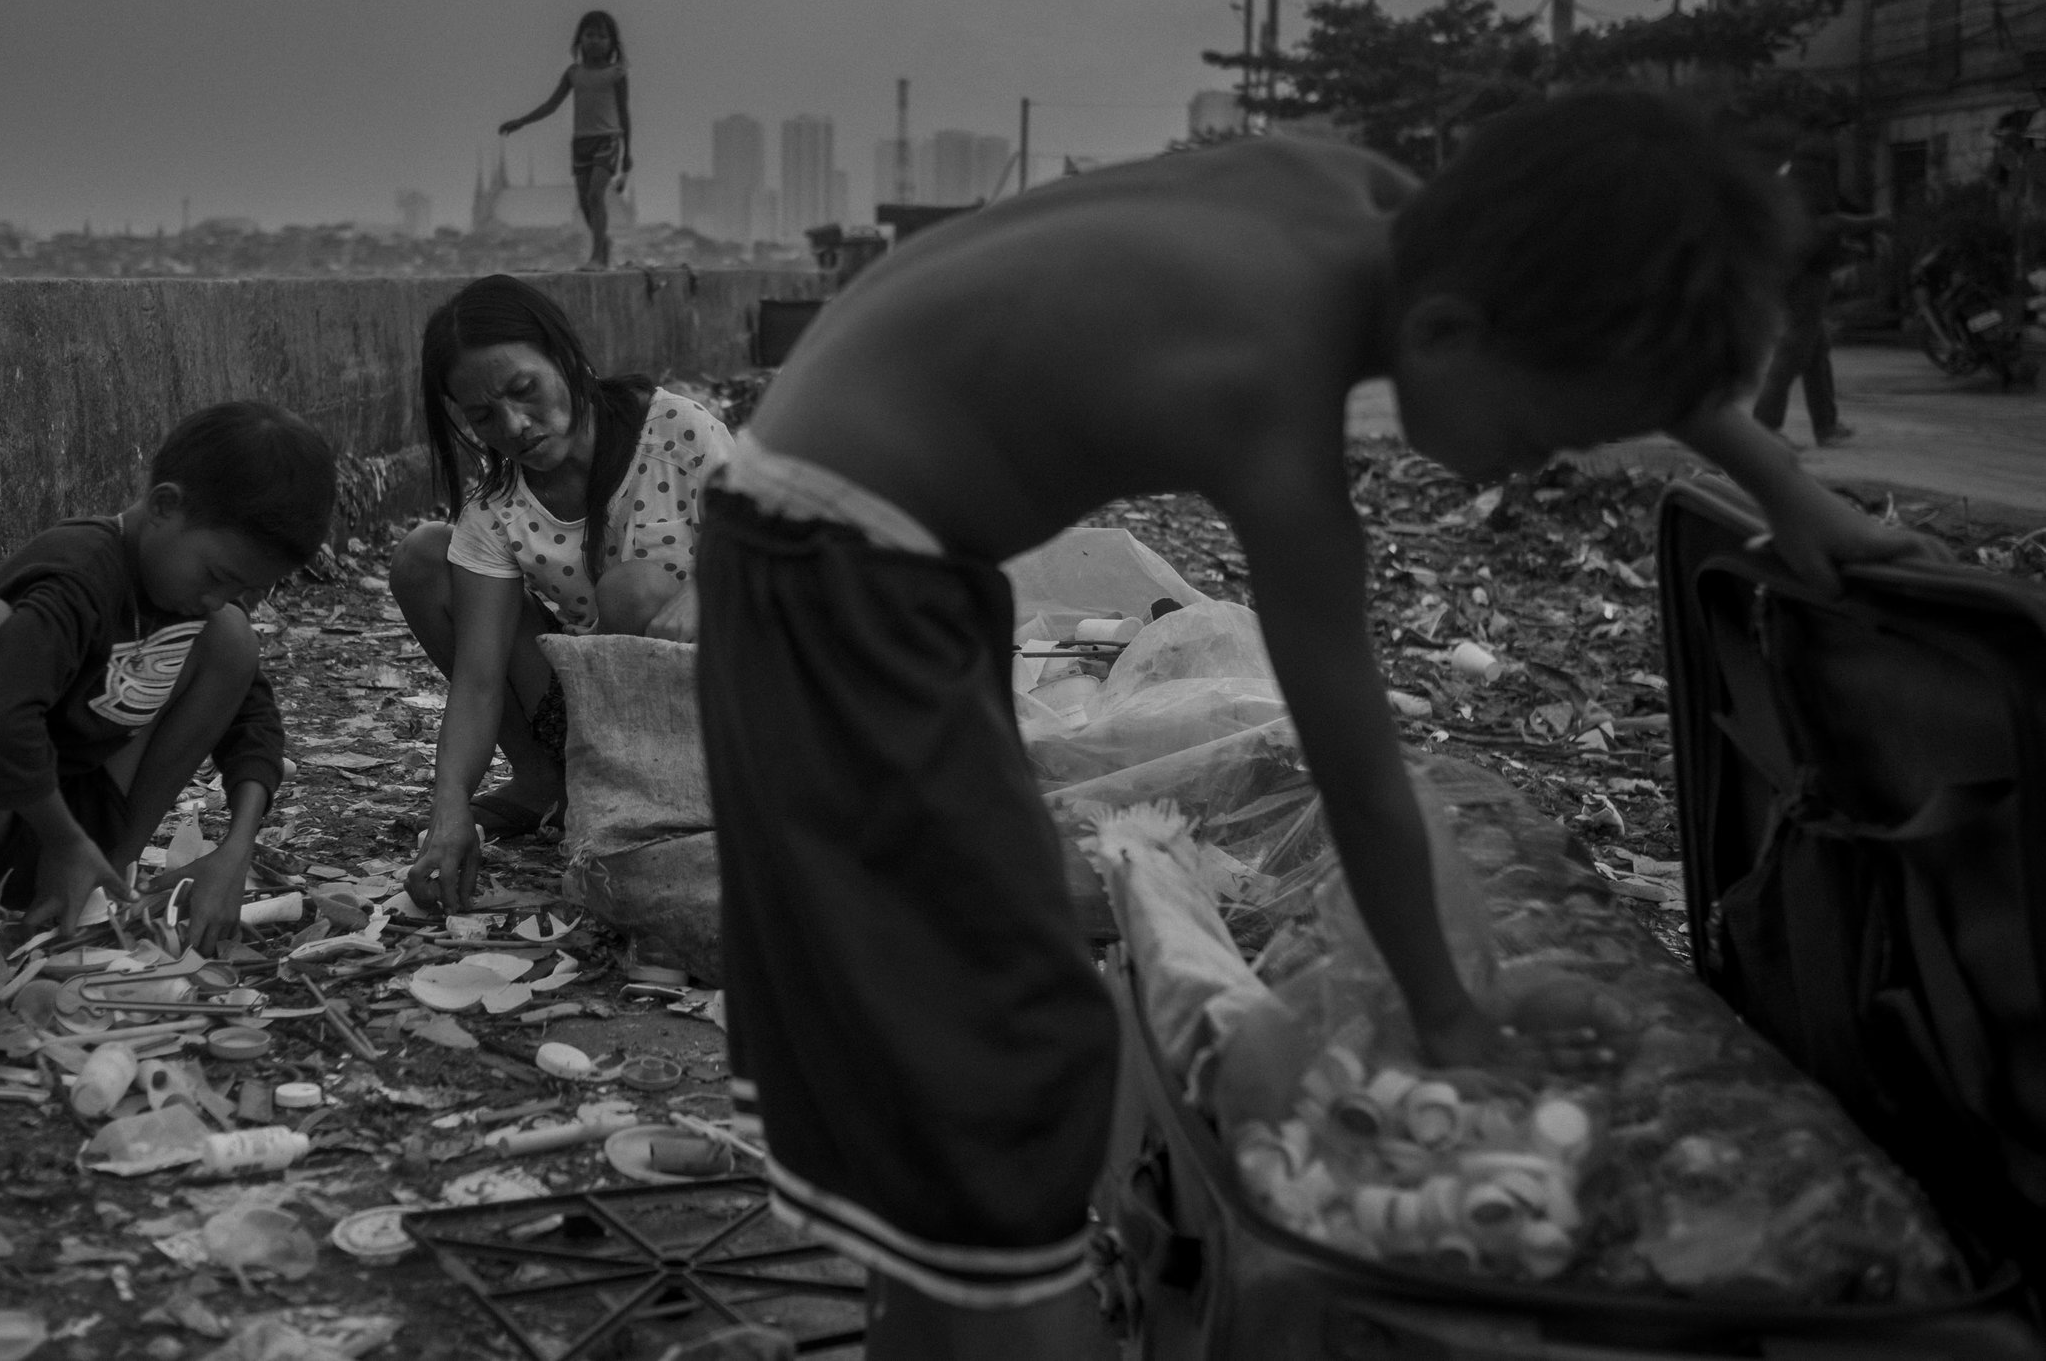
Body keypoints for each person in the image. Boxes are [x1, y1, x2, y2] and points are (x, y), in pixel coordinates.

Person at [693, 91, 1943, 1357]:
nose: (1526, 469)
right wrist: (1451, 1013)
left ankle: (948, 1294)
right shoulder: (1264, 399)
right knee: (1000, 1051)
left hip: (876, 541)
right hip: (831, 573)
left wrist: (1785, 487)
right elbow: (1359, 773)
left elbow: (1608, 330)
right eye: (1536, 434)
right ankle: (1005, 1309)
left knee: (968, 994)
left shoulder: (1369, 198)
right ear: (1449, 332)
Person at [0, 401, 335, 1040]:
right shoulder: (81, 568)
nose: (218, 597)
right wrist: (62, 839)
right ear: (163, 506)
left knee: (232, 640)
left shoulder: (189, 594)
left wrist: (233, 850)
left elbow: (253, 719)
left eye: (244, 587)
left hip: (67, 845)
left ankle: (96, 887)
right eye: (217, 574)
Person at [395, 275, 731, 909]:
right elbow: (479, 679)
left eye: (525, 391)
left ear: (568, 358)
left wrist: (708, 590)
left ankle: (680, 805)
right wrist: (448, 814)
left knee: (633, 590)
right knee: (424, 557)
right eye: (484, 416)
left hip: (716, 704)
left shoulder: (678, 433)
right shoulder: (497, 510)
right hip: (593, 716)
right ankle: (547, 781)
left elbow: (779, 552)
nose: (515, 425)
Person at [1752, 134, 1878, 446]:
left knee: (1816, 353)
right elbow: (1826, 222)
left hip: (1791, 274)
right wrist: (1874, 222)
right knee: (1793, 352)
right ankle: (1765, 427)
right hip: (1806, 277)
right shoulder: (1809, 175)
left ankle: (1826, 425)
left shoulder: (1786, 175)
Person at [499, 10, 632, 268]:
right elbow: (551, 105)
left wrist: (627, 153)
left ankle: (596, 257)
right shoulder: (573, 73)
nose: (595, 41)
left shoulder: (616, 73)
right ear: (579, 40)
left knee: (595, 195)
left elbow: (624, 112)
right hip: (581, 142)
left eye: (601, 36)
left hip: (608, 140)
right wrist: (522, 121)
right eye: (589, 35)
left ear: (612, 42)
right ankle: (602, 245)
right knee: (583, 202)